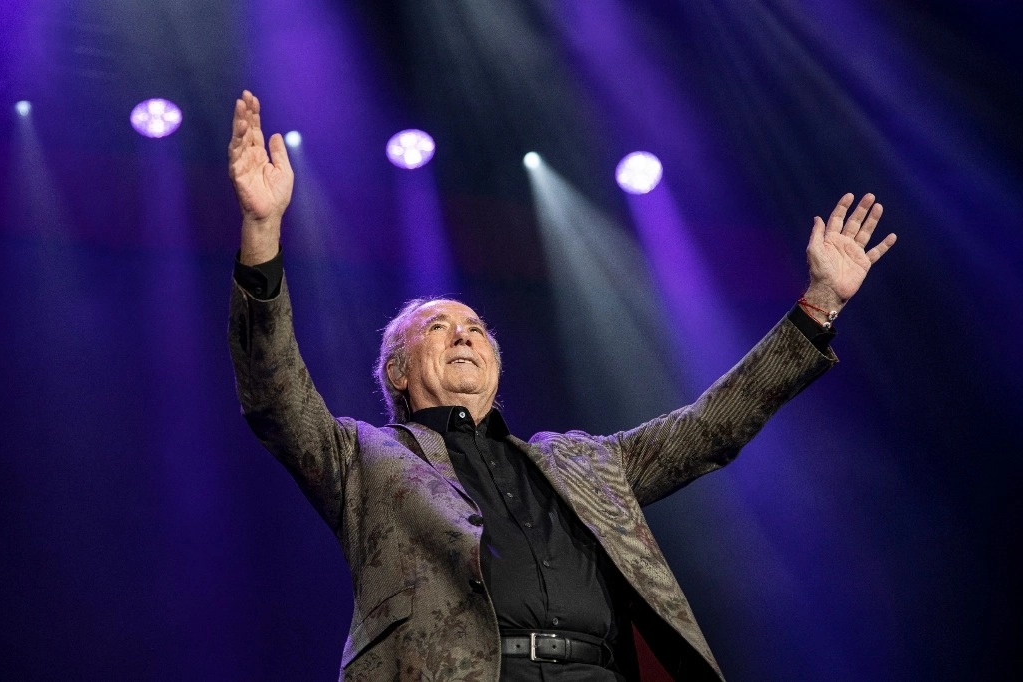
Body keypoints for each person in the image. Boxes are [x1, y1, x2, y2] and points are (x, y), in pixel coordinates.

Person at [226, 90, 896, 681]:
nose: (464, 335)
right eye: (438, 327)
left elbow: (709, 427)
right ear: (397, 373)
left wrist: (817, 307)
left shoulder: (585, 462)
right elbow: (274, 393)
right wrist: (262, 230)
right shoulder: (363, 459)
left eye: (476, 328)